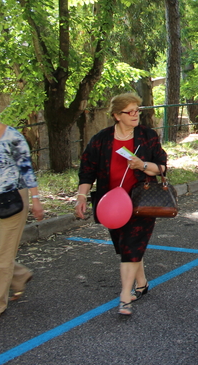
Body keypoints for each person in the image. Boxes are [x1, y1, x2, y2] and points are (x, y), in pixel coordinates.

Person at [75, 93, 168, 316]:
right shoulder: (101, 139)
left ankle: (125, 296)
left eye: (138, 109)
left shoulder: (147, 136)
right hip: (112, 203)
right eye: (130, 111)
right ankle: (142, 283)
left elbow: (162, 167)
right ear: (117, 115)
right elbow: (87, 170)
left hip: (141, 201)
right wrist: (81, 197)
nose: (136, 114)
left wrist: (142, 165)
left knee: (132, 243)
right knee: (125, 246)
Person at [0, 97, 44, 321]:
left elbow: (26, 170)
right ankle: (19, 275)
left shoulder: (12, 136)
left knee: (1, 256)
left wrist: (36, 200)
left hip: (12, 200)